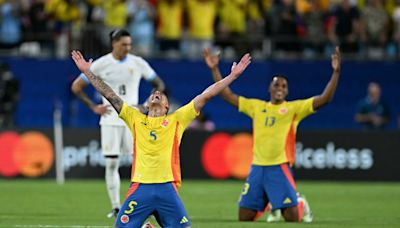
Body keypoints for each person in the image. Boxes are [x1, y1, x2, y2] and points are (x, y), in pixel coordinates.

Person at [71, 50, 251, 227]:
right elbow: (110, 95)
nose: (156, 94)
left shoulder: (177, 120)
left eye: (161, 95)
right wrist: (87, 72)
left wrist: (232, 76)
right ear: (148, 104)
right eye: (153, 95)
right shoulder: (135, 118)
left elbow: (207, 95)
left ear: (167, 106)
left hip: (167, 188)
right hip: (140, 187)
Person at [203, 46, 341, 223]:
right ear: (269, 88)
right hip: (257, 168)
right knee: (244, 218)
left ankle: (299, 202)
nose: (280, 88)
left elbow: (325, 99)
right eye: (276, 84)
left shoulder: (294, 109)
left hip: (279, 167)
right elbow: (227, 95)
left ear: (287, 91)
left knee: (291, 219)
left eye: (284, 86)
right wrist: (214, 68)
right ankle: (270, 202)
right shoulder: (256, 107)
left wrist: (336, 73)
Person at [70, 29, 165, 218]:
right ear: (114, 44)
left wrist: (146, 105)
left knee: (140, 163)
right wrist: (93, 106)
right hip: (111, 120)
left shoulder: (138, 63)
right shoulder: (101, 64)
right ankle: (116, 206)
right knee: (112, 163)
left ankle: (141, 204)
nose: (127, 48)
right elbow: (76, 86)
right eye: (124, 44)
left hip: (135, 121)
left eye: (129, 44)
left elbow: (159, 84)